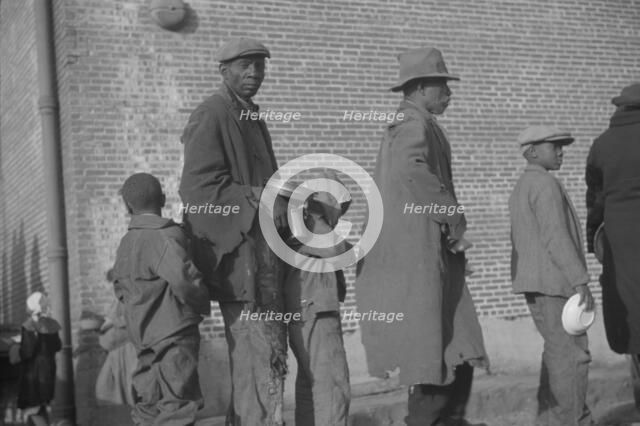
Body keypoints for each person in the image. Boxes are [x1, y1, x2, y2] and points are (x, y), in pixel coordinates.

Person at [356, 47, 487, 426]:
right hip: (418, 257)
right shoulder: (412, 125)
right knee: (431, 354)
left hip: (431, 254)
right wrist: (453, 218)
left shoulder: (419, 122)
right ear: (421, 88)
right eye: (442, 86)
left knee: (457, 349)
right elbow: (412, 169)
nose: (449, 93)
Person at [179, 37, 288, 425]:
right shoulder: (211, 114)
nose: (254, 73)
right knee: (255, 358)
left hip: (267, 258)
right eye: (245, 65)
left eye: (260, 65)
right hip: (241, 263)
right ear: (223, 71)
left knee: (268, 360)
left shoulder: (252, 118)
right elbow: (198, 191)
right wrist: (257, 196)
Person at [509, 125, 595, 426]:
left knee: (557, 354)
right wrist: (579, 279)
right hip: (555, 284)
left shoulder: (524, 184)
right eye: (553, 146)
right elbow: (556, 237)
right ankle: (573, 421)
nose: (561, 151)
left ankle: (551, 420)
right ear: (532, 151)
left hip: (538, 283)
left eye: (563, 146)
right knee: (572, 357)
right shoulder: (545, 184)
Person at [112, 172, 210, 426]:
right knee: (177, 406)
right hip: (173, 333)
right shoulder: (163, 237)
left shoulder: (126, 243)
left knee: (149, 403)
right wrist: (200, 305)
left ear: (127, 206)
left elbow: (120, 289)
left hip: (142, 337)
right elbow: (184, 280)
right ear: (163, 199)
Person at [586, 83, 640, 410]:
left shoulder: (602, 145)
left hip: (622, 247)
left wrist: (596, 239)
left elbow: (595, 200)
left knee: (636, 329)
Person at [284, 172, 352, 426]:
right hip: (317, 312)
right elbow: (336, 248)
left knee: (310, 387)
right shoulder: (314, 221)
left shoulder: (297, 221)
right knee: (332, 387)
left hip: (302, 311)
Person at [16, 291, 62, 426]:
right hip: (48, 370)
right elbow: (57, 346)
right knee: (41, 407)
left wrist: (17, 348)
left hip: (34, 374)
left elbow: (27, 351)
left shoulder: (29, 325)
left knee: (32, 408)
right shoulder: (51, 324)